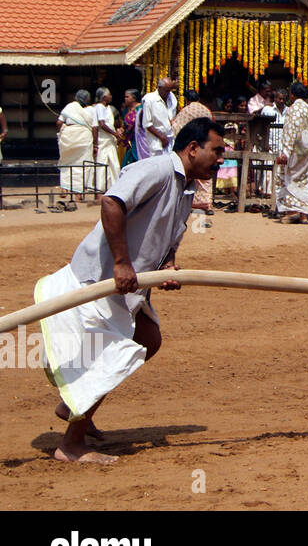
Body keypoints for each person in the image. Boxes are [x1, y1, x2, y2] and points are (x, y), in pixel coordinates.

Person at [34, 117, 224, 463]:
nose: (221, 159)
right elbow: (112, 203)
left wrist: (167, 266)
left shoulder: (186, 188)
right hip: (102, 279)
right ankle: (72, 444)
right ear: (193, 148)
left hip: (132, 288)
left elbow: (167, 235)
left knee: (148, 339)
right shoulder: (156, 169)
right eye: (217, 150)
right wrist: (122, 263)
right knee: (111, 354)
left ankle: (76, 408)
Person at [276, 82, 308, 224]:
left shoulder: (294, 109)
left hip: (297, 148)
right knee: (305, 179)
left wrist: (285, 152)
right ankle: (304, 215)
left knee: (289, 177)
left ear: (292, 95)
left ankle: (292, 212)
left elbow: (290, 130)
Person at [171, 91, 214, 213]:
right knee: (205, 174)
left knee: (192, 173)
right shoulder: (206, 110)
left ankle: (194, 203)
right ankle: (206, 203)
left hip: (192, 147)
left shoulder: (186, 110)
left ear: (186, 100)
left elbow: (176, 129)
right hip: (205, 145)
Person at [56, 90, 96, 198]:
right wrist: (95, 145)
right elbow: (95, 128)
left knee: (67, 162)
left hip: (68, 137)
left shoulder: (70, 107)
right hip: (84, 137)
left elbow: (59, 122)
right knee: (83, 164)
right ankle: (79, 193)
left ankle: (64, 189)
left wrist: (63, 134)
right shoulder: (92, 110)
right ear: (88, 99)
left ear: (76, 98)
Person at [137, 77, 177, 159]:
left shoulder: (171, 99)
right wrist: (162, 138)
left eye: (169, 90)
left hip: (170, 139)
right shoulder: (149, 100)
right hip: (156, 141)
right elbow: (147, 124)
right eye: (166, 90)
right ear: (159, 88)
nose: (168, 93)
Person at [91, 87, 122, 192]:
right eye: (109, 95)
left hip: (109, 140)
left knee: (113, 163)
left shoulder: (107, 108)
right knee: (102, 162)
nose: (111, 97)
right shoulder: (99, 107)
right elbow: (102, 124)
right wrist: (115, 134)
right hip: (103, 139)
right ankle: (100, 187)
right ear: (104, 97)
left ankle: (112, 185)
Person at [119, 89, 141, 168]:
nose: (125, 99)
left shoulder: (141, 109)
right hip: (129, 142)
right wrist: (120, 130)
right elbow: (123, 125)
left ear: (134, 98)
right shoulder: (126, 110)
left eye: (127, 97)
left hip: (138, 141)